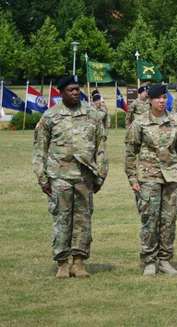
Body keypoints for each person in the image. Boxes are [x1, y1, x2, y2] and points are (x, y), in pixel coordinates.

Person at [33, 75, 108, 278]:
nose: (75, 92)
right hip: (59, 177)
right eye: (70, 90)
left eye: (77, 89)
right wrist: (42, 179)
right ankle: (62, 264)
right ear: (61, 92)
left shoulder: (92, 115)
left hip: (85, 177)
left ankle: (79, 262)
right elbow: (40, 150)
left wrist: (100, 176)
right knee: (62, 220)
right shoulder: (50, 116)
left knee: (83, 220)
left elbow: (101, 147)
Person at [124, 83, 177, 275]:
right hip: (148, 176)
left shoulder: (176, 121)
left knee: (169, 220)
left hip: (172, 176)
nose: (161, 101)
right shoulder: (140, 122)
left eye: (164, 97)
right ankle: (149, 261)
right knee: (150, 218)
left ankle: (165, 260)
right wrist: (132, 177)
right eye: (157, 98)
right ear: (150, 100)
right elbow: (130, 152)